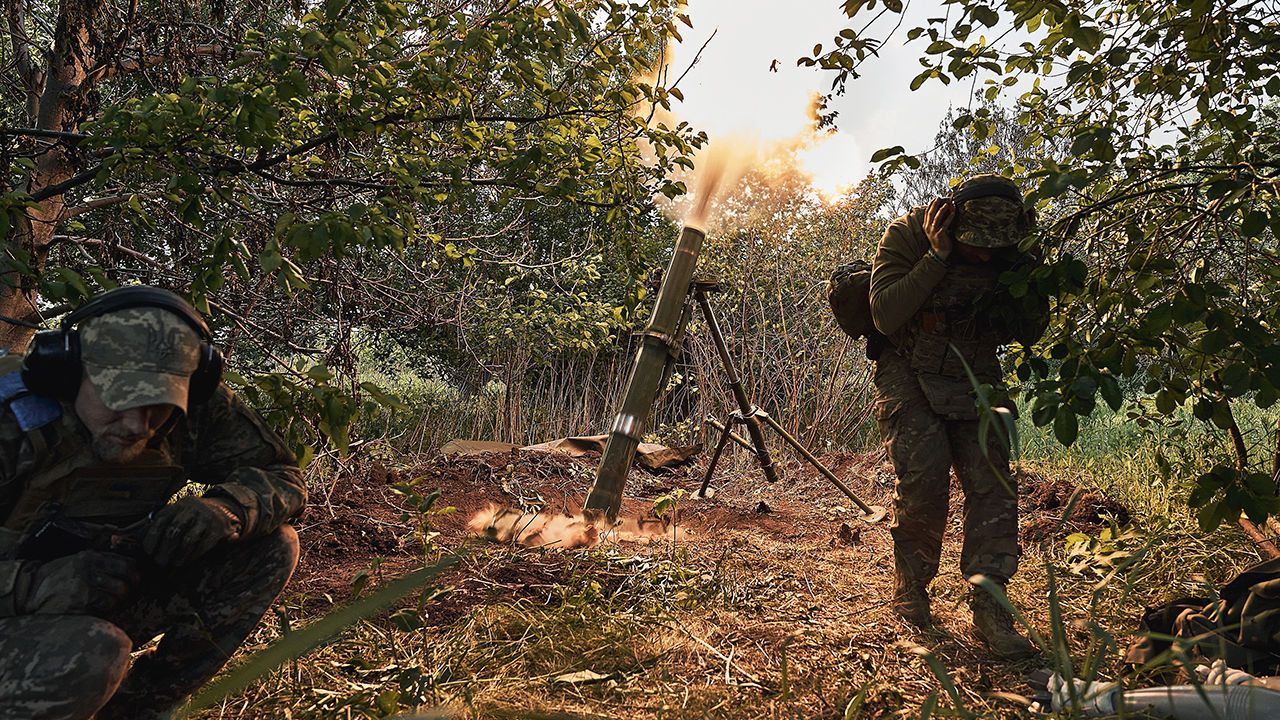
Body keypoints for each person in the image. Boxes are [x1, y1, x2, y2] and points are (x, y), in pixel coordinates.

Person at [0, 286, 307, 719]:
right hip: (21, 612)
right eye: (119, 400)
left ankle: (131, 710)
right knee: (94, 653)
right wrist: (34, 586)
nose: (136, 425)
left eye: (156, 407)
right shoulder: (11, 421)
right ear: (70, 372)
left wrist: (227, 509)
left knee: (272, 546)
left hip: (100, 594)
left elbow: (284, 476)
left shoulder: (195, 411)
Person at [869, 174, 1046, 659]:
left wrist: (1030, 264)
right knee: (924, 484)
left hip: (976, 371)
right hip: (909, 367)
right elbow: (885, 314)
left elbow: (1032, 329)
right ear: (950, 221)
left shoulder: (1017, 249)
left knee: (993, 486)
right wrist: (937, 256)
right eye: (976, 245)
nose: (985, 256)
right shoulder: (906, 235)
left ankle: (990, 606)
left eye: (996, 247)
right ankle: (911, 593)